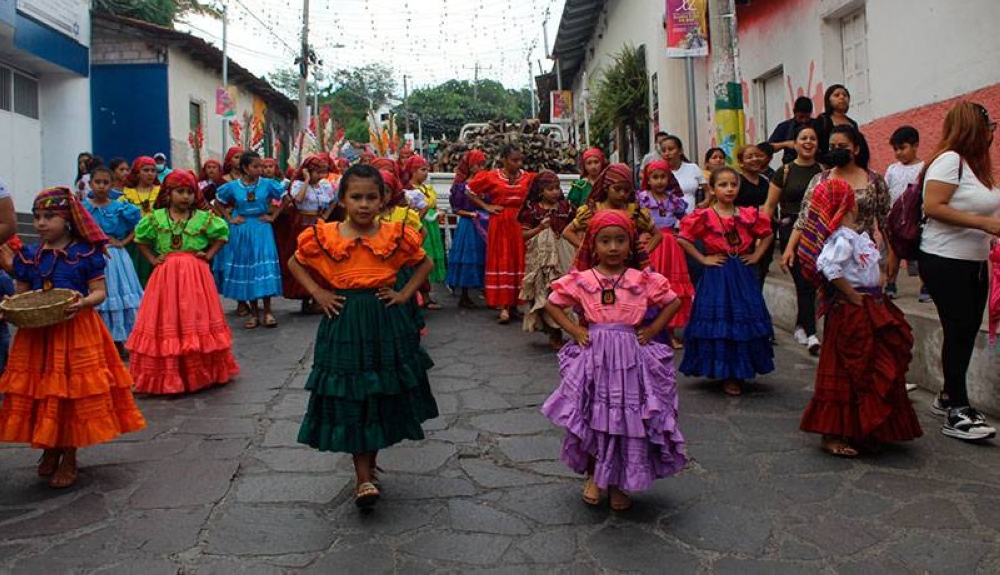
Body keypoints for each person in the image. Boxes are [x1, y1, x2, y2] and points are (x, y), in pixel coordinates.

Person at [288, 164, 438, 508]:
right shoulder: (324, 236)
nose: (364, 204)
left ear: (383, 199)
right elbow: (295, 263)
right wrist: (319, 293)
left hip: (385, 322)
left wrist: (404, 295)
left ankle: (369, 465)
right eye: (356, 197)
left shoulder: (395, 235)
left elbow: (425, 264)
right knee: (353, 395)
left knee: (378, 393)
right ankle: (363, 477)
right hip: (343, 321)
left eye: (372, 197)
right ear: (342, 199)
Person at [541, 210, 686, 511]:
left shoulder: (640, 278)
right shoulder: (583, 279)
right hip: (595, 358)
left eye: (620, 241)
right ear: (592, 245)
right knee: (596, 420)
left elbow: (673, 300)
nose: (613, 248)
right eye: (605, 241)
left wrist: (652, 330)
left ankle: (620, 482)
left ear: (631, 245)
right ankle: (595, 477)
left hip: (631, 360)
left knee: (626, 422)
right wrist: (575, 329)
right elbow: (553, 304)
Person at [0, 187, 146, 488]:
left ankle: (70, 456)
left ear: (66, 220)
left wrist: (83, 303)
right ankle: (49, 449)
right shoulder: (30, 255)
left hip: (75, 332)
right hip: (38, 336)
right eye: (38, 216)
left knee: (70, 394)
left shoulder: (86, 254)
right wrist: (11, 307)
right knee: (43, 393)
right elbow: (22, 293)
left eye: (49, 217)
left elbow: (99, 292)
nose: (40, 223)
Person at [798, 177, 922, 456]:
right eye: (850, 196)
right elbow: (828, 265)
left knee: (872, 364)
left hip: (871, 304)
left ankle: (867, 427)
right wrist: (852, 295)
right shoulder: (841, 237)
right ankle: (834, 433)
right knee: (850, 365)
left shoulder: (855, 234)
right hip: (854, 308)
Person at [919, 101, 999, 441]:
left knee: (965, 330)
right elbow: (932, 206)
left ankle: (949, 396)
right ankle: (958, 411)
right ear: (972, 128)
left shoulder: (977, 167)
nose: (992, 133)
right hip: (944, 260)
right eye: (989, 126)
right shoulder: (950, 161)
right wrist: (985, 223)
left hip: (974, 261)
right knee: (958, 328)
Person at [127, 170, 237, 394]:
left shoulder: (202, 218)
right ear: (168, 194)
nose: (185, 196)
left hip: (195, 273)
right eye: (180, 191)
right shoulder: (155, 217)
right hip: (166, 274)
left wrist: (208, 254)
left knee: (194, 316)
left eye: (189, 192)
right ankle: (167, 373)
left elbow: (222, 236)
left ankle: (201, 372)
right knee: (167, 316)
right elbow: (141, 240)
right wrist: (152, 259)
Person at [678, 166, 775, 396]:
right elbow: (683, 238)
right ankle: (722, 370)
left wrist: (756, 256)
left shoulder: (747, 214)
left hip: (742, 273)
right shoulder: (704, 216)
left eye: (733, 184)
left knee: (743, 318)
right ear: (712, 189)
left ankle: (739, 371)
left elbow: (768, 234)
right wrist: (703, 258)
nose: (729, 189)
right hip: (717, 274)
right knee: (719, 320)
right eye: (723, 185)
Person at [783, 125, 890, 284]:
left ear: (856, 149)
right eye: (833, 147)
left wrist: (889, 258)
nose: (836, 150)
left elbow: (885, 222)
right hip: (829, 256)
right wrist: (789, 249)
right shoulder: (820, 180)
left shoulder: (874, 181)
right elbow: (804, 218)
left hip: (864, 257)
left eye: (843, 147)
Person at [764, 124, 823, 355]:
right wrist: (762, 236)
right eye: (804, 138)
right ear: (795, 144)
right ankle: (811, 334)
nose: (808, 142)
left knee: (814, 283)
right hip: (792, 231)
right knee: (803, 281)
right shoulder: (785, 171)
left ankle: (802, 324)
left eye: (813, 138)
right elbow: (769, 205)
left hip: (819, 231)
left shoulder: (823, 171)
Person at [214, 151, 285, 328]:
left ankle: (268, 312)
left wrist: (273, 217)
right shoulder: (232, 186)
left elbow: (286, 198)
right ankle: (253, 314)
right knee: (249, 270)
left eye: (261, 166)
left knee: (264, 267)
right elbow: (217, 202)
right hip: (243, 229)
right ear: (245, 168)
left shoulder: (268, 184)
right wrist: (230, 219)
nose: (260, 169)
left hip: (262, 228)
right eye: (255, 166)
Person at [468, 145, 536, 324]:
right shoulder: (492, 176)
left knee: (517, 259)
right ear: (504, 160)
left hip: (519, 222)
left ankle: (514, 304)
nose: (518, 163)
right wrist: (486, 207)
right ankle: (503, 306)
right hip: (500, 221)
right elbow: (470, 190)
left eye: (520, 160)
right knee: (501, 259)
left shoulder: (527, 177)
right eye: (514, 160)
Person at [84, 166, 143, 354]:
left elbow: (139, 226)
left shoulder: (120, 207)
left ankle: (118, 342)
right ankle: (98, 341)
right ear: (90, 183)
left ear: (112, 184)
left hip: (115, 257)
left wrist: (124, 241)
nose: (101, 186)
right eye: (97, 182)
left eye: (106, 182)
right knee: (97, 297)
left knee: (117, 295)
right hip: (91, 256)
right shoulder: (83, 207)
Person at [638, 160, 693, 347]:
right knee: (650, 286)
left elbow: (685, 219)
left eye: (663, 177)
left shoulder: (674, 200)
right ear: (648, 179)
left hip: (671, 246)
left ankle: (669, 332)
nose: (660, 181)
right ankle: (647, 328)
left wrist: (684, 235)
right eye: (655, 177)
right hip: (651, 244)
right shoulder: (642, 198)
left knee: (671, 289)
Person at [518, 170, 576, 349]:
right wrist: (539, 229)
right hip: (542, 256)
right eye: (550, 189)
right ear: (541, 191)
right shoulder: (532, 210)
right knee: (546, 290)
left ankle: (572, 328)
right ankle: (554, 333)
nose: (555, 192)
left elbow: (575, 227)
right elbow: (523, 234)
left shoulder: (566, 208)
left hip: (564, 251)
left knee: (567, 288)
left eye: (557, 188)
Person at [279, 154, 336, 311]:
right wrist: (305, 180)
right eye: (316, 172)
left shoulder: (325, 185)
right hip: (302, 226)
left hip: (319, 225)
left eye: (322, 172)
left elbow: (333, 201)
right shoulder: (298, 184)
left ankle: (316, 297)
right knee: (303, 259)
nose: (320, 176)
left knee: (319, 261)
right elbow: (298, 199)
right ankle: (304, 295)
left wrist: (325, 216)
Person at [883, 126, 927, 301]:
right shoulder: (892, 169)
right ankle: (891, 283)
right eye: (895, 149)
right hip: (895, 220)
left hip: (915, 219)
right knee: (894, 253)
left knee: (922, 253)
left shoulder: (924, 168)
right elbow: (886, 191)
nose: (899, 153)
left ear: (915, 145)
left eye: (903, 148)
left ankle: (925, 287)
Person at [446, 149, 489, 308]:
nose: (482, 168)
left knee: (484, 257)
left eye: (484, 164)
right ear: (471, 167)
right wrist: (472, 214)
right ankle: (464, 295)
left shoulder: (487, 183)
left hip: (484, 224)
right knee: (468, 258)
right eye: (480, 165)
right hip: (469, 226)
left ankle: (487, 290)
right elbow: (456, 209)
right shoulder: (461, 186)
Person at [403, 155, 446, 309]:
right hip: (418, 226)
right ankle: (420, 296)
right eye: (422, 170)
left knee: (429, 259)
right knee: (419, 259)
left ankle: (426, 296)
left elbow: (431, 205)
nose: (426, 173)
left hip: (431, 226)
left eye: (427, 170)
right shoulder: (408, 190)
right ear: (412, 171)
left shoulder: (427, 188)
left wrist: (436, 211)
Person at [735, 144, 774, 288]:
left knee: (762, 272)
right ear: (741, 163)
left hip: (765, 233)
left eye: (758, 155)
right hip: (743, 235)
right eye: (750, 156)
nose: (755, 159)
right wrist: (756, 210)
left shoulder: (766, 181)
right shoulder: (736, 182)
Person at [120, 156, 161, 286]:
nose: (150, 174)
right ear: (137, 172)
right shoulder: (127, 194)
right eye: (146, 170)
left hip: (157, 239)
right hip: (134, 240)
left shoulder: (162, 192)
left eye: (153, 170)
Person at [814, 85, 859, 158]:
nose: (842, 97)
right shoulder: (822, 120)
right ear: (828, 100)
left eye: (845, 95)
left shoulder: (853, 124)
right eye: (836, 95)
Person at [768, 96, 815, 164]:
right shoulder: (784, 127)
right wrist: (785, 144)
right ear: (794, 112)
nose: (804, 120)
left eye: (807, 117)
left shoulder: (816, 125)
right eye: (801, 117)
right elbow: (769, 147)